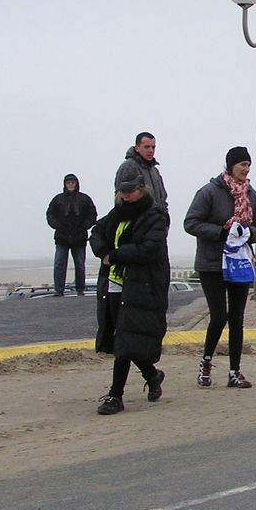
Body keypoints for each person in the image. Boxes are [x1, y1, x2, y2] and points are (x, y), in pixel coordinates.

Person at [90, 160, 170, 415]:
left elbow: (149, 249)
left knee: (125, 340)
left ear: (142, 189)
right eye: (121, 192)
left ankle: (115, 395)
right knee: (124, 338)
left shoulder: (155, 216)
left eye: (130, 191)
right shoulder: (116, 215)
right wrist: (104, 252)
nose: (126, 195)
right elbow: (97, 233)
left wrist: (116, 255)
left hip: (142, 286)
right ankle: (152, 375)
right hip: (114, 284)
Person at [183, 146, 256, 389]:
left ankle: (234, 371)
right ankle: (206, 363)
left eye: (248, 165)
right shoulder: (209, 192)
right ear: (230, 166)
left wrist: (247, 233)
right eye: (242, 165)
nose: (246, 169)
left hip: (239, 264)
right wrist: (222, 232)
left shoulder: (252, 196)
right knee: (219, 316)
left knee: (237, 318)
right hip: (212, 264)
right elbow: (191, 223)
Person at [45, 173, 97, 296]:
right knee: (59, 263)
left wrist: (85, 226)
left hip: (79, 237)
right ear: (65, 184)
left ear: (76, 183)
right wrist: (57, 225)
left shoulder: (85, 199)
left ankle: (80, 289)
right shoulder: (57, 199)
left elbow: (92, 214)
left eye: (72, 182)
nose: (70, 185)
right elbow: (50, 215)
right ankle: (59, 289)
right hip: (62, 237)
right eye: (68, 183)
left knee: (80, 264)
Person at [123, 131, 169, 214]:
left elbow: (163, 199)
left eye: (153, 147)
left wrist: (164, 218)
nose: (151, 150)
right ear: (137, 148)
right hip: (139, 223)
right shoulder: (129, 167)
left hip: (157, 222)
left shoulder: (155, 171)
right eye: (147, 147)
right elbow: (124, 199)